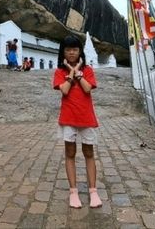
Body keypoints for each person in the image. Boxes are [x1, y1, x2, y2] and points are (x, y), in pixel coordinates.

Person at [53, 36, 102, 210]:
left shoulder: (88, 70)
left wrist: (78, 72)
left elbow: (88, 88)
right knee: (70, 153)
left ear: (80, 52)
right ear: (63, 52)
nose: (71, 52)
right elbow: (65, 91)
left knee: (89, 152)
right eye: (68, 49)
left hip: (86, 117)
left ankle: (93, 191)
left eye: (75, 49)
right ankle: (73, 192)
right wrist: (70, 71)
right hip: (68, 118)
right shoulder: (59, 72)